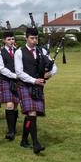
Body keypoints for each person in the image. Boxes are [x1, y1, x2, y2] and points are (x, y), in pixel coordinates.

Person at [15, 26, 57, 154]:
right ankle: (36, 143)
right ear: (26, 38)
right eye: (32, 38)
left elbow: (54, 66)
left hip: (38, 86)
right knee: (32, 112)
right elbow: (19, 72)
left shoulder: (42, 51)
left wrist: (50, 73)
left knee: (31, 116)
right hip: (24, 85)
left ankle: (23, 140)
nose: (34, 41)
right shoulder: (19, 52)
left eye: (36, 38)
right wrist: (34, 80)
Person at [0, 31, 20, 140]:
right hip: (6, 80)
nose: (11, 41)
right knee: (9, 105)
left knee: (15, 105)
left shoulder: (18, 51)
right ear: (4, 41)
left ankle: (13, 128)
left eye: (13, 39)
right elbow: (1, 68)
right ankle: (10, 131)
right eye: (9, 39)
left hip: (18, 81)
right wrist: (14, 75)